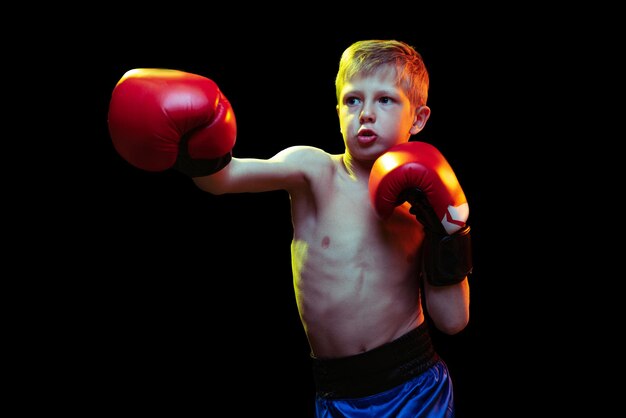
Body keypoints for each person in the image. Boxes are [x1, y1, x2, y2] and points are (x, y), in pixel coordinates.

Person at [108, 39, 473, 417]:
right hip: (338, 392)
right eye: (352, 100)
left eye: (385, 100)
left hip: (416, 387)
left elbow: (452, 321)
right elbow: (223, 179)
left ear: (418, 117)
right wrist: (196, 140)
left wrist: (449, 234)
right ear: (337, 110)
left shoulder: (423, 204)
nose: (365, 113)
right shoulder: (314, 172)